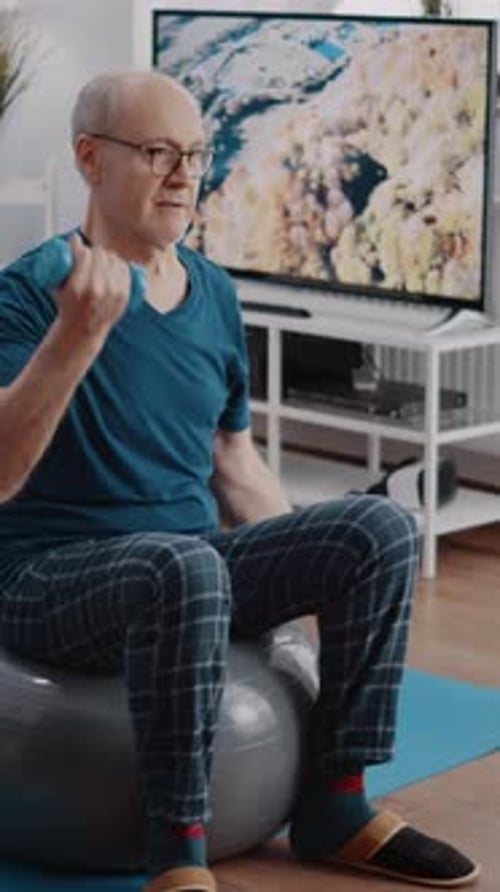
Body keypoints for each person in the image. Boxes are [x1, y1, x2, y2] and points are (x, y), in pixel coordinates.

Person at [0, 70, 478, 892]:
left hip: (186, 572)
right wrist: (78, 334)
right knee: (183, 564)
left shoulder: (215, 292)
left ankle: (337, 805)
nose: (184, 175)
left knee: (379, 531)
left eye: (196, 153)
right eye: (158, 152)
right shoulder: (28, 294)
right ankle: (176, 856)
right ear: (90, 158)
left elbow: (233, 459)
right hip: (48, 579)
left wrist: (304, 571)